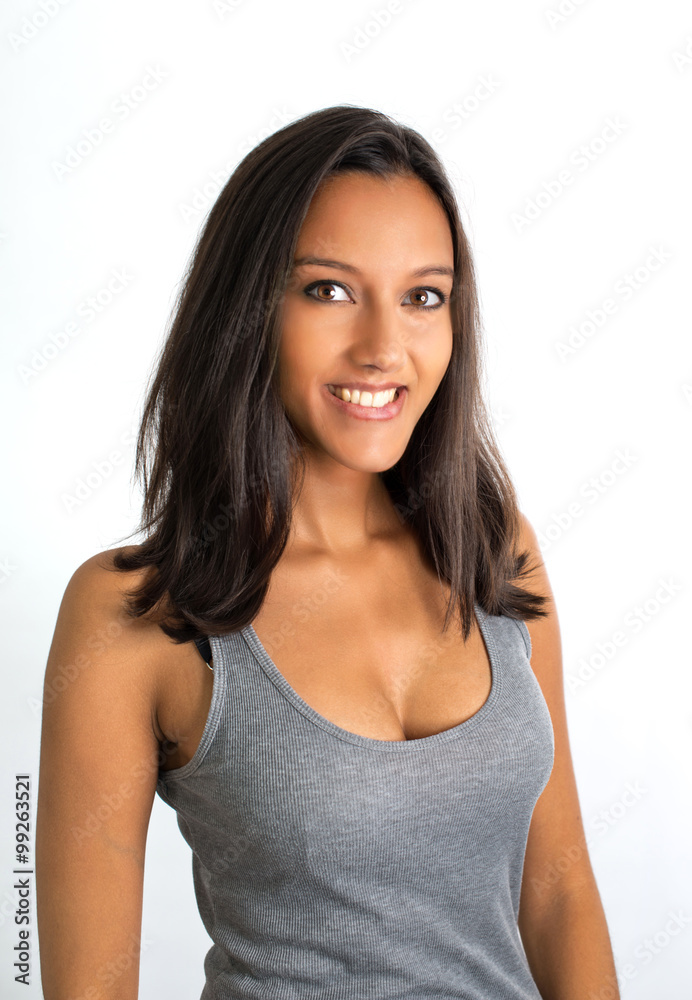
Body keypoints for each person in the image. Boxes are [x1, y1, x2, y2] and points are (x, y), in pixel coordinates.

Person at [36, 105, 620, 1000]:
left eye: (424, 296)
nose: (385, 348)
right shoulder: (139, 616)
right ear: (248, 308)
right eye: (330, 290)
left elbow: (561, 895)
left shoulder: (493, 552)